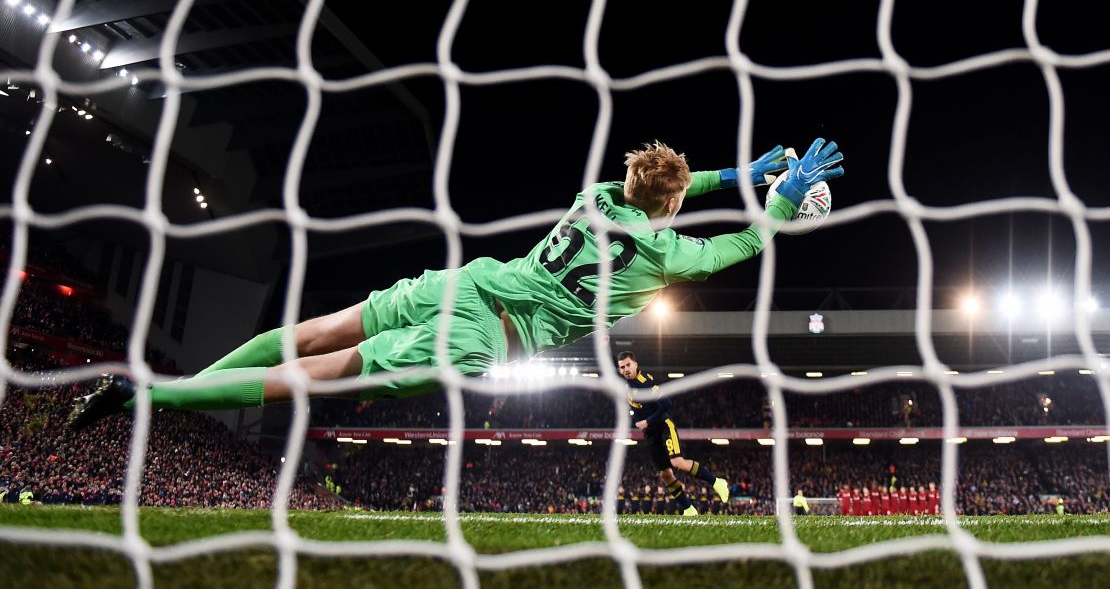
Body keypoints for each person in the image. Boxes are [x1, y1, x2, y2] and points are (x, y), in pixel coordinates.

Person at [69, 138, 844, 429]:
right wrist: (776, 208)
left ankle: (177, 386)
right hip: (479, 334)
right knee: (305, 378)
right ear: (670, 204)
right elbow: (738, 244)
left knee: (312, 332)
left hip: (464, 283)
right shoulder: (665, 257)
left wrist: (737, 172)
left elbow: (669, 187)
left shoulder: (597, 197)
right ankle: (149, 398)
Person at [617, 350, 730, 517]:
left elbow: (667, 404)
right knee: (666, 474)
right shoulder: (624, 380)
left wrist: (647, 422)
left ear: (636, 365)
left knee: (677, 462)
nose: (625, 369)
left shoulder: (646, 383)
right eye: (622, 367)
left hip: (664, 426)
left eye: (628, 365)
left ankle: (717, 482)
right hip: (650, 435)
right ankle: (688, 509)